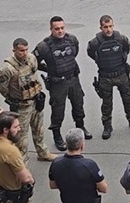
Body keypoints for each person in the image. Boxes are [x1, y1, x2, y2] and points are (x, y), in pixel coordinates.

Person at [34, 16, 91, 151]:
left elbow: (73, 54)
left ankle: (80, 127)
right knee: (58, 110)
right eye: (57, 29)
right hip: (58, 83)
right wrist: (48, 68)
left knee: (78, 104)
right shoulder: (44, 46)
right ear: (51, 29)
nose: (60, 31)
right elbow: (33, 61)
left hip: (73, 79)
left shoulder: (72, 39)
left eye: (62, 28)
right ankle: (57, 135)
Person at [0, 38, 57, 162]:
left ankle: (42, 152)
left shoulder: (31, 59)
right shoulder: (7, 68)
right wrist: (12, 98)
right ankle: (21, 160)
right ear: (14, 50)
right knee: (21, 135)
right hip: (22, 105)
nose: (24, 53)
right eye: (21, 50)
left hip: (36, 101)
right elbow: (2, 88)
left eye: (26, 50)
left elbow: (34, 71)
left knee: (39, 129)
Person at [85, 15, 130, 140]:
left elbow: (127, 49)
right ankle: (107, 126)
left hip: (121, 74)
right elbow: (91, 53)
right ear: (101, 27)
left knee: (128, 100)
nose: (108, 30)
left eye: (110, 26)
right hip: (105, 76)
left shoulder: (121, 39)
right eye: (105, 27)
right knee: (106, 104)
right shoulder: (95, 42)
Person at [48, 128, 107, 203]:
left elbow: (53, 185)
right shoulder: (90, 165)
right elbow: (103, 188)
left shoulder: (56, 163)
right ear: (82, 145)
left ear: (67, 144)